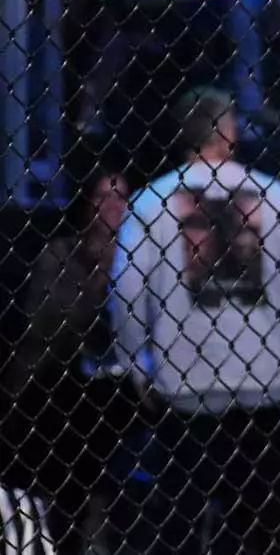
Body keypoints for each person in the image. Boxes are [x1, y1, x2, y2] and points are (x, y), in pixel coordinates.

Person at [111, 86, 280, 555]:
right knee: (266, 520)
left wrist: (135, 364)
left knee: (181, 520)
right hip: (266, 374)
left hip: (185, 377)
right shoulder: (272, 194)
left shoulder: (151, 201)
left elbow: (126, 290)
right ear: (227, 131)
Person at [2, 169, 129, 554]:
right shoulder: (62, 253)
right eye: (104, 197)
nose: (112, 207)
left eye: (120, 198)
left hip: (118, 382)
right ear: (87, 205)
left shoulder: (137, 255)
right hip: (56, 376)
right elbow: (51, 320)